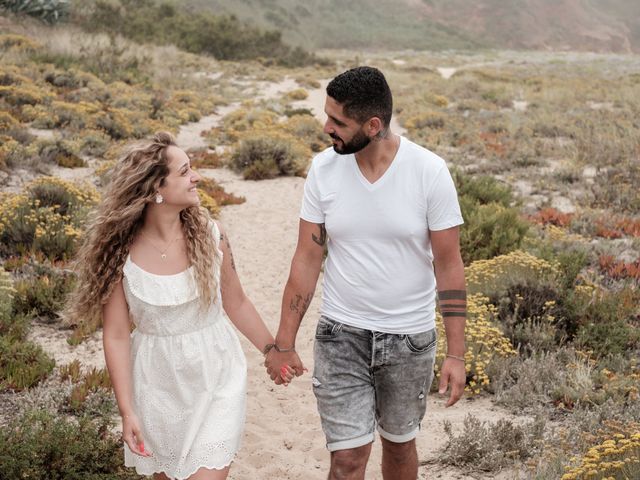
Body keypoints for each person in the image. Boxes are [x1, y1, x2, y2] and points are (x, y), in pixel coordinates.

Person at [264, 66, 467, 480]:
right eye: (327, 116)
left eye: (338, 121)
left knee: (398, 447)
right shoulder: (323, 170)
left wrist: (457, 353)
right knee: (347, 460)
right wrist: (283, 343)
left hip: (410, 341)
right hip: (342, 337)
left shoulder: (429, 172)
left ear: (373, 126)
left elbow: (448, 264)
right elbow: (306, 258)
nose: (326, 128)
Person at [67, 132, 291, 480]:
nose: (196, 177)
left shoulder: (210, 234)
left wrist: (271, 350)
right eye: (185, 171)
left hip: (216, 376)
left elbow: (237, 301)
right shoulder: (118, 254)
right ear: (156, 187)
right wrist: (128, 412)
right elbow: (115, 336)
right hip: (157, 387)